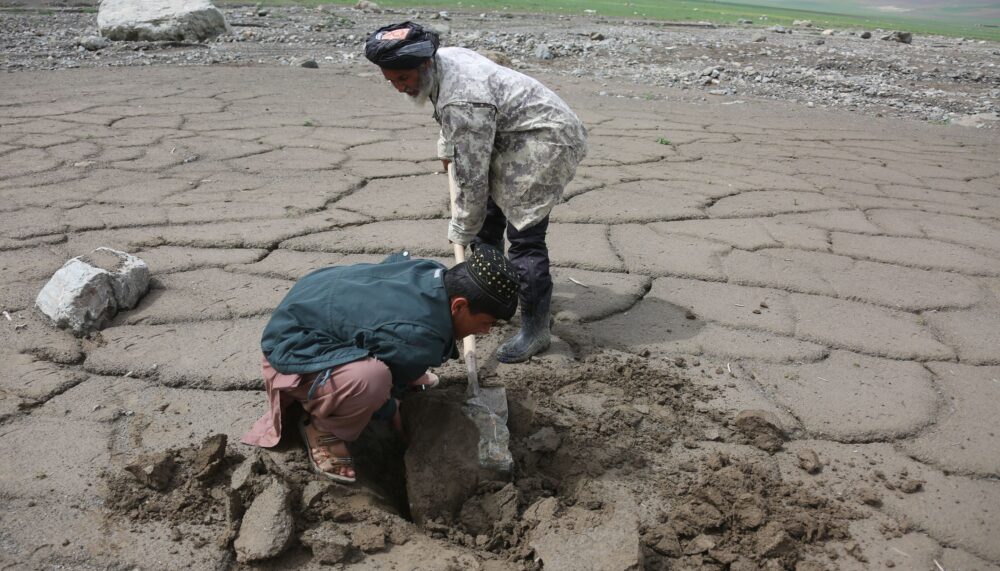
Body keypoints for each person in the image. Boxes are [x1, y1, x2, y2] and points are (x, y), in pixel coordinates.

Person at [364, 21, 587, 363]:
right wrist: (445, 147)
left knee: (523, 236)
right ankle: (494, 296)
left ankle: (535, 329)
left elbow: (471, 178)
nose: (399, 87)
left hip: (545, 140)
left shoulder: (464, 100)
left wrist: (460, 230)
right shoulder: (442, 62)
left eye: (403, 79)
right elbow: (449, 119)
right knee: (487, 224)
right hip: (509, 132)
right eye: (391, 80)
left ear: (424, 64)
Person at [241, 245, 519, 483]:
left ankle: (388, 374)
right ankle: (323, 428)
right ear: (458, 306)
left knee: (403, 361)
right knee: (372, 381)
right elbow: (394, 371)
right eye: (485, 323)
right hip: (293, 348)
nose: (484, 332)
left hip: (307, 303)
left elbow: (393, 268)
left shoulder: (431, 272)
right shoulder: (419, 336)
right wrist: (389, 408)